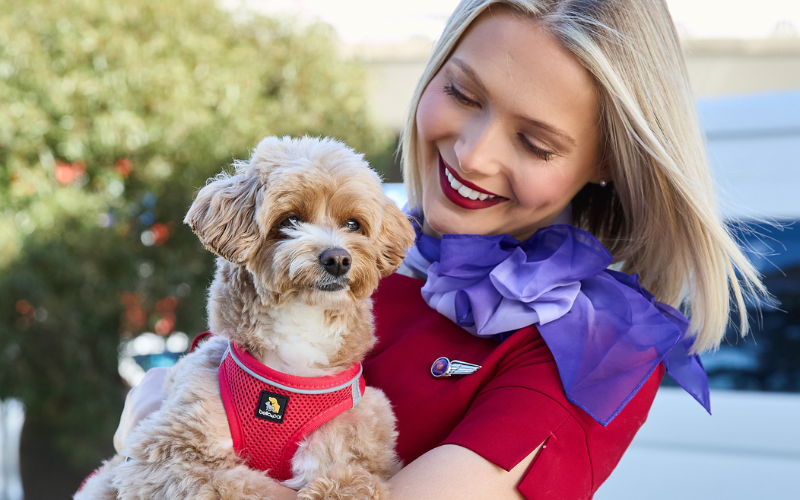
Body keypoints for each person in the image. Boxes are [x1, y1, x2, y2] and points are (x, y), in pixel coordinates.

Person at [114, 0, 766, 498]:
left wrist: (152, 428)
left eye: (535, 143)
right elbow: (175, 411)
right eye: (461, 92)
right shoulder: (364, 255)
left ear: (608, 165)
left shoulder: (591, 352)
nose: (474, 154)